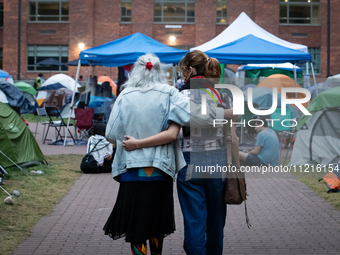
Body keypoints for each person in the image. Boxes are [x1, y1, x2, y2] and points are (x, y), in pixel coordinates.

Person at [104, 53, 232, 255]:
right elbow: (195, 117)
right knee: (157, 224)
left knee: (137, 225)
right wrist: (226, 113)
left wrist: (133, 140)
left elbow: (111, 133)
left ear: (135, 71)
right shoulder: (170, 93)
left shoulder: (125, 95)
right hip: (161, 168)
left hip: (132, 168)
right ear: (159, 72)